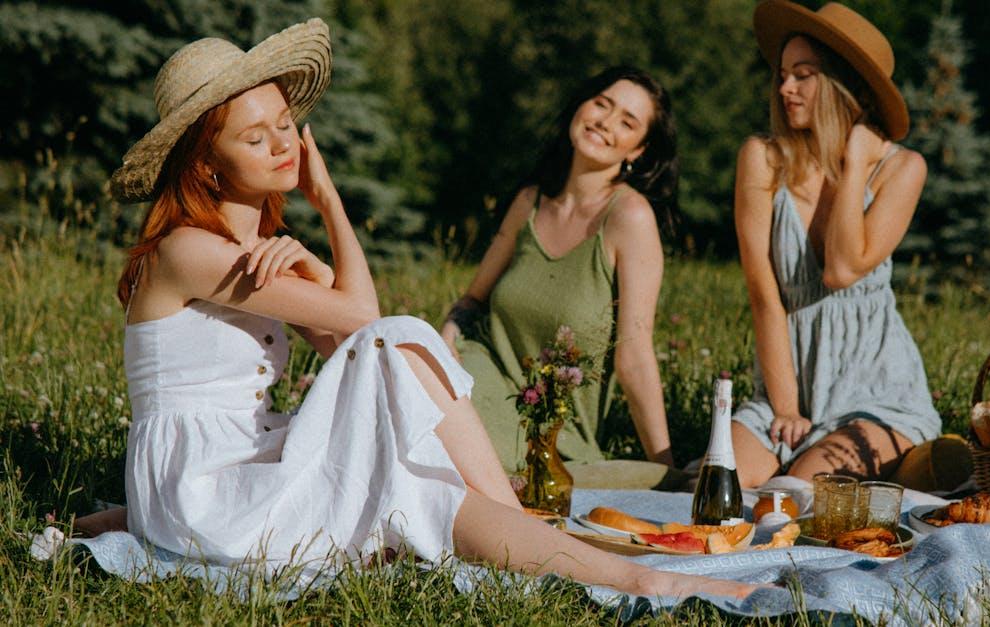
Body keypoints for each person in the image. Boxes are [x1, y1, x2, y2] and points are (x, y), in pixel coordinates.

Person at [75, 20, 755, 600]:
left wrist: (313, 250)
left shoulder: (258, 252)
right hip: (203, 491)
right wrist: (328, 204)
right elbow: (370, 323)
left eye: (285, 125)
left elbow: (353, 337)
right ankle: (611, 567)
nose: (284, 145)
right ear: (206, 164)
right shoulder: (191, 250)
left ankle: (584, 558)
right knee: (404, 359)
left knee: (415, 471)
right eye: (255, 139)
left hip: (232, 465)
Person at [731, 1, 942, 488]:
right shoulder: (762, 158)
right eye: (784, 74)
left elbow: (841, 270)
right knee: (720, 486)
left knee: (803, 492)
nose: (785, 88)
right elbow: (763, 295)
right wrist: (786, 409)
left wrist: (855, 163)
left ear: (847, 86)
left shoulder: (901, 168)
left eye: (804, 75)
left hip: (876, 396)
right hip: (786, 389)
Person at [440, 67, 677, 476]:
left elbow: (634, 355)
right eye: (602, 104)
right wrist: (444, 339)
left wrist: (665, 468)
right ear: (581, 106)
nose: (605, 122)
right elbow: (473, 300)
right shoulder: (530, 201)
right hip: (474, 380)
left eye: (627, 122)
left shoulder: (630, 217)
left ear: (638, 151)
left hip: (550, 435)